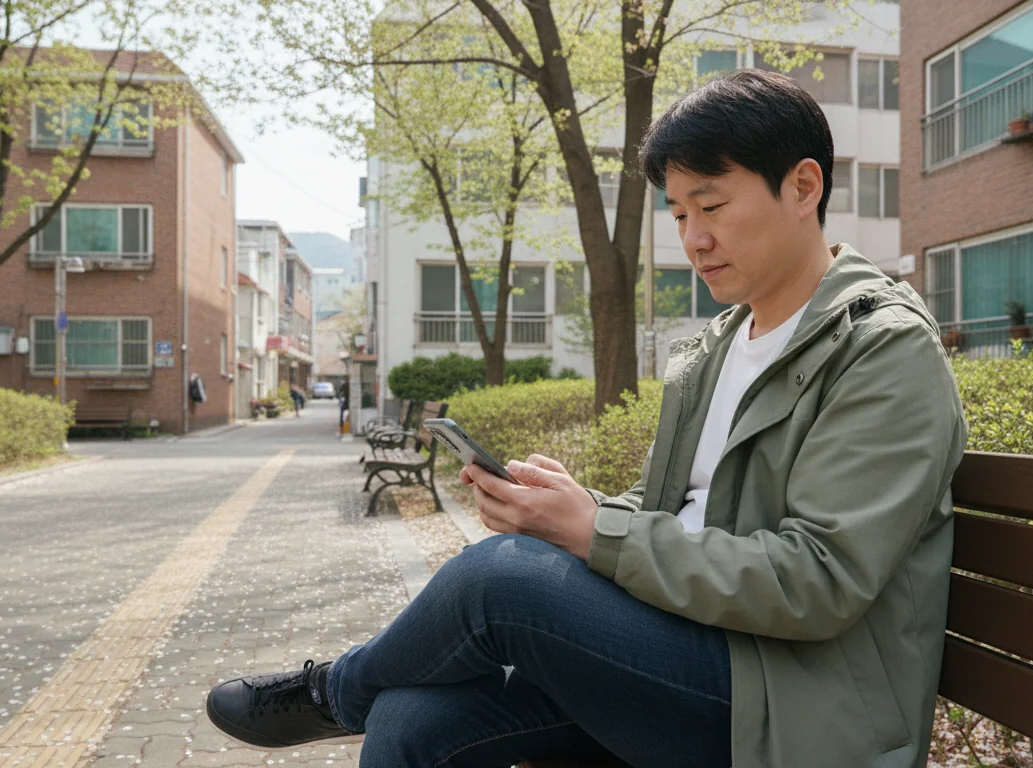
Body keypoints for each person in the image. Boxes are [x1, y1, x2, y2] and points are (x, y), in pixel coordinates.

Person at [205, 69, 967, 768]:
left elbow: (817, 581)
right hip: (691, 650)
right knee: (408, 722)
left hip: (791, 703)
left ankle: (334, 694)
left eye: (712, 205)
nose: (694, 239)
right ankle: (360, 696)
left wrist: (592, 532)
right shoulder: (723, 343)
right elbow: (682, 515)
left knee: (497, 581)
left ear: (804, 186)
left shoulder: (881, 349)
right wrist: (573, 513)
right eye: (678, 212)